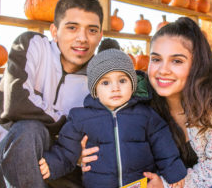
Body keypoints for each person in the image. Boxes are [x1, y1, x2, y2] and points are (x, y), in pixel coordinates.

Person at [81, 17, 212, 188]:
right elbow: (112, 128)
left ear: (196, 65)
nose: (163, 70)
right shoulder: (140, 100)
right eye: (156, 59)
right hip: (182, 180)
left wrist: (165, 185)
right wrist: (82, 154)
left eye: (177, 61)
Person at [0, 0, 104, 188]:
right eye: (72, 28)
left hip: (59, 166)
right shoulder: (31, 45)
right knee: (30, 129)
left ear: (100, 35)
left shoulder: (100, 80)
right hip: (3, 162)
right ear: (54, 31)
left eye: (92, 30)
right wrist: (71, 128)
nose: (82, 38)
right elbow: (17, 104)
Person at [38, 45, 187, 188]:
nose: (115, 88)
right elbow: (67, 149)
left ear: (132, 84)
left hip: (139, 184)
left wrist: (174, 171)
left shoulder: (145, 115)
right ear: (95, 89)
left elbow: (163, 145)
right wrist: (53, 163)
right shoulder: (81, 118)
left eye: (122, 80)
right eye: (105, 83)